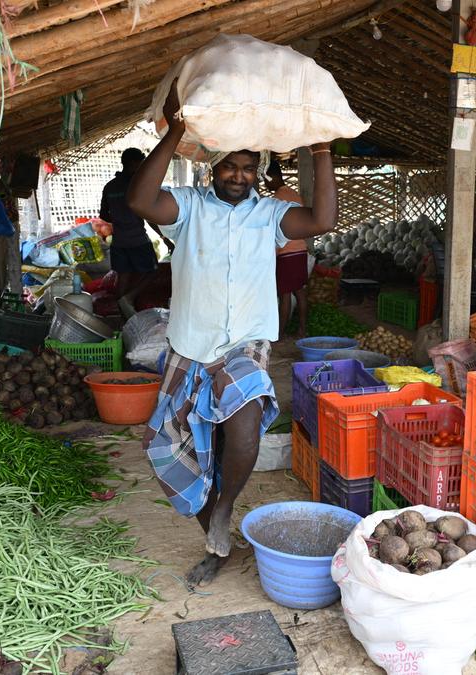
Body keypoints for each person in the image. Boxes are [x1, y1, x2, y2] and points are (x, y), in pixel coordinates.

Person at [127, 84, 337, 587]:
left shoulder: (270, 215)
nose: (239, 176)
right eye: (229, 166)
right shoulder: (188, 208)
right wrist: (176, 129)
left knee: (242, 433)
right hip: (191, 344)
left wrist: (323, 149)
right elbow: (139, 199)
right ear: (212, 168)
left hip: (244, 343)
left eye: (248, 168)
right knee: (177, 446)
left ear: (257, 172)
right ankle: (214, 538)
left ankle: (224, 513)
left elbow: (324, 220)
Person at [100, 148, 169, 302]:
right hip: (138, 240)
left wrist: (119, 219)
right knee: (152, 271)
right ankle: (130, 298)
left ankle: (120, 307)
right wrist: (164, 237)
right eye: (141, 163)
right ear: (133, 163)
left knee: (123, 275)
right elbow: (149, 217)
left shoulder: (110, 186)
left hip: (119, 242)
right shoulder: (137, 186)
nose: (142, 166)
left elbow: (103, 215)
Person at [265, 160, 309, 338]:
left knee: (284, 295)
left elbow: (273, 231)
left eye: (266, 180)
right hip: (300, 250)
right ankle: (302, 329)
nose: (266, 184)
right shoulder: (295, 194)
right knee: (299, 292)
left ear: (272, 177)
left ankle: (279, 335)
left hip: (286, 252)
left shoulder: (276, 199)